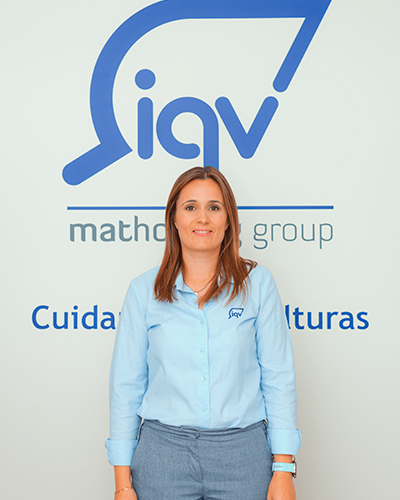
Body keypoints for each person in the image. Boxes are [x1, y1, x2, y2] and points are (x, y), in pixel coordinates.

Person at [106, 166, 301, 500]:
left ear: (229, 220)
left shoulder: (258, 285)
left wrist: (283, 469)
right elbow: (126, 387)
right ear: (174, 219)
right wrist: (123, 484)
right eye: (190, 207)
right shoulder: (143, 291)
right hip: (162, 455)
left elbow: (278, 378)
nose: (203, 218)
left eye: (214, 207)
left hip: (244, 455)